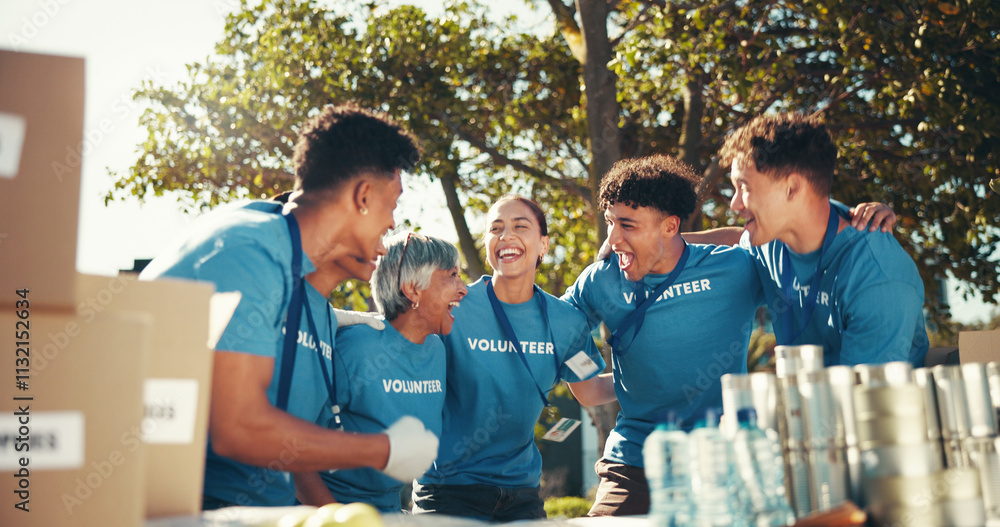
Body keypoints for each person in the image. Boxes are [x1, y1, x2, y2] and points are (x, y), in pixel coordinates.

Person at [141, 104, 439, 508]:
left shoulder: (301, 285)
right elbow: (238, 428)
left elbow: (290, 447)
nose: (391, 225)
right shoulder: (249, 249)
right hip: (191, 507)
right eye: (393, 204)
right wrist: (383, 450)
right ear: (363, 196)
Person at [562, 154, 766, 517]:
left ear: (670, 227)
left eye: (628, 225)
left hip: (721, 458)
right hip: (633, 460)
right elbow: (558, 331)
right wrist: (599, 380)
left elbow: (769, 237)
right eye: (610, 222)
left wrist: (855, 216)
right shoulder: (599, 281)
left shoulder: (734, 269)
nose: (612, 239)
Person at [412, 195, 613, 521]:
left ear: (543, 244)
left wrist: (646, 379)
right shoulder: (454, 305)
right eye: (495, 228)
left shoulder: (567, 323)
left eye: (520, 226)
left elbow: (590, 391)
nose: (505, 236)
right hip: (449, 490)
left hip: (521, 494)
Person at [718, 112, 929, 367]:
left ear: (792, 188)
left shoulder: (877, 275)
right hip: (808, 402)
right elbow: (734, 241)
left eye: (745, 187)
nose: (734, 203)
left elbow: (865, 399)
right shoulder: (770, 241)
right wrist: (665, 235)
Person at [291, 232, 467, 512]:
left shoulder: (436, 349)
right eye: (452, 275)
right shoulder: (354, 349)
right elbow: (293, 452)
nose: (463, 289)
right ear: (412, 289)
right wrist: (338, 518)